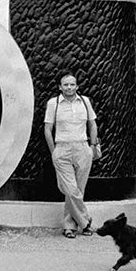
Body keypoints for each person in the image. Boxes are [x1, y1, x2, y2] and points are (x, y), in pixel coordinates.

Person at [43, 74, 102, 239]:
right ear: (60, 87)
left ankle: (69, 227)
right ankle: (86, 222)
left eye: (72, 84)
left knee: (78, 191)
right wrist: (54, 151)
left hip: (83, 148)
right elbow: (47, 129)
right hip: (62, 149)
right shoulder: (53, 103)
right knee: (71, 190)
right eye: (65, 84)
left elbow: (92, 124)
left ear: (77, 86)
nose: (69, 87)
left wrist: (92, 146)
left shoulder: (85, 101)